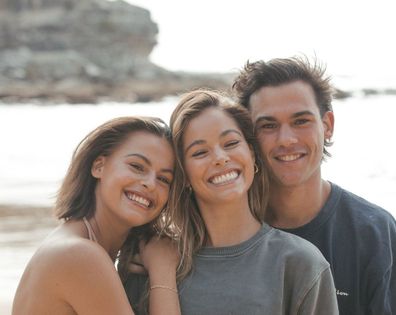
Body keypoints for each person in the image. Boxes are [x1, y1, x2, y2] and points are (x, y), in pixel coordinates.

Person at [121, 89, 339, 315]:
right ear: (183, 175)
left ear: (252, 154)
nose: (220, 158)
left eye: (231, 143)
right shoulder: (149, 260)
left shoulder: (299, 263)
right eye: (200, 152)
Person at [232, 56, 396, 315]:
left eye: (301, 121)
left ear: (327, 125)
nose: (286, 139)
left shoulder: (374, 232)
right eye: (268, 125)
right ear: (248, 138)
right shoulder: (226, 230)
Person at [12, 116, 181, 315]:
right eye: (137, 166)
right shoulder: (78, 254)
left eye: (163, 179)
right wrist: (163, 269)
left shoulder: (80, 242)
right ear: (98, 166)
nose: (150, 183)